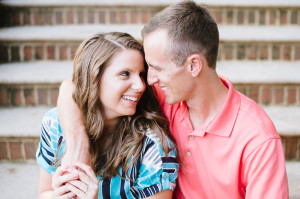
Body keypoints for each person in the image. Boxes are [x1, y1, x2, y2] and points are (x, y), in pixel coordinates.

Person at [57, 1, 289, 198]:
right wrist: (78, 144)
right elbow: (73, 87)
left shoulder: (258, 140)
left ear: (193, 65)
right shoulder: (168, 96)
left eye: (157, 68)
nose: (148, 80)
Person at [36, 32, 179, 199]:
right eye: (125, 73)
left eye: (141, 74)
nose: (140, 86)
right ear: (94, 78)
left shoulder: (152, 146)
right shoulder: (55, 125)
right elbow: (44, 193)